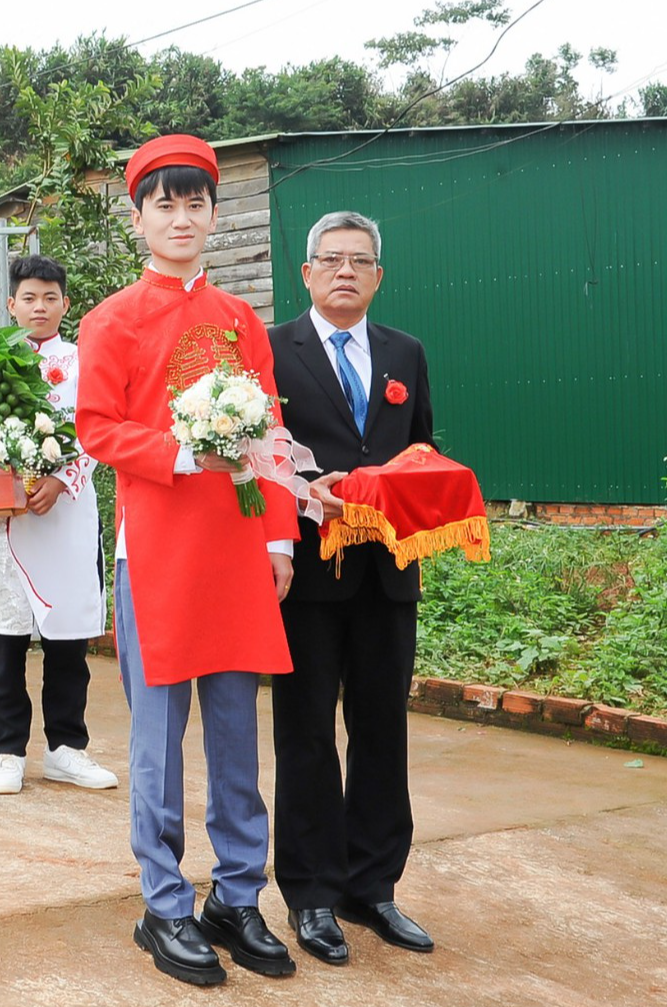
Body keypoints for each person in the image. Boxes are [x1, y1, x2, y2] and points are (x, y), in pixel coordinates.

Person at [76, 134, 300, 987]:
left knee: (239, 734)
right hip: (159, 550)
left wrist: (279, 538)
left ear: (214, 213)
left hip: (239, 551)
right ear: (138, 217)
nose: (182, 217)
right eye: (164, 203)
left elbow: (273, 436)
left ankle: (238, 894)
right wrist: (179, 451)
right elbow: (95, 428)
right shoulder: (112, 321)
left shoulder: (241, 321)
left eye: (196, 202)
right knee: (159, 740)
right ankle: (163, 902)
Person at [268, 210, 437, 964]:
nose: (345, 271)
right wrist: (309, 487)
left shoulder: (406, 352)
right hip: (306, 575)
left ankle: (373, 887)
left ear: (378, 275)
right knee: (305, 734)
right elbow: (259, 452)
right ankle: (309, 894)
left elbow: (422, 446)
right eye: (330, 259)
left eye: (359, 260)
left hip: (388, 574)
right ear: (306, 274)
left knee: (381, 730)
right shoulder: (273, 350)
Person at [0, 256, 116, 795]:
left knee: (68, 640)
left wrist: (63, 481)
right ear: (11, 304)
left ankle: (65, 748)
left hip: (65, 516)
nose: (39, 307)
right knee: (2, 639)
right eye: (29, 298)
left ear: (65, 305)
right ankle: (7, 749)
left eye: (50, 298)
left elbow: (98, 428)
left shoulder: (86, 361)